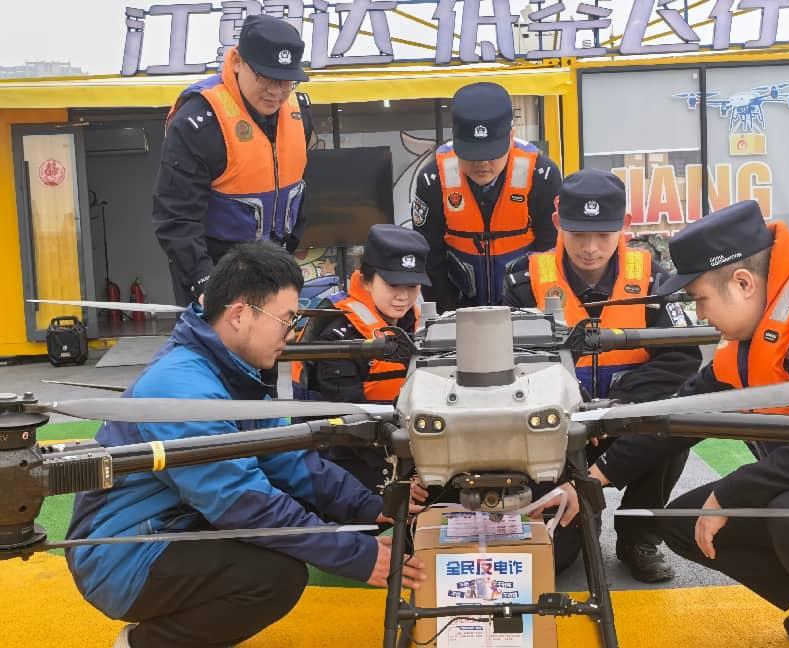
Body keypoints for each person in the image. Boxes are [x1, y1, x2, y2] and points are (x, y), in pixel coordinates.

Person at [65, 242, 426, 648]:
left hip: (172, 523)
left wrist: (372, 506)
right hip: (121, 556)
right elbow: (242, 503)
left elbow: (290, 461)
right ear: (239, 315)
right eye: (286, 319)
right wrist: (358, 555)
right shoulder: (184, 389)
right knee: (274, 578)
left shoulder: (232, 370)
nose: (290, 333)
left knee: (282, 542)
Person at [589, 200, 789, 648]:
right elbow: (681, 414)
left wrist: (730, 492)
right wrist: (596, 475)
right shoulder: (756, 333)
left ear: (742, 283)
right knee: (684, 522)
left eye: (701, 299)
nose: (700, 315)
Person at [505, 169, 701, 582]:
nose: (590, 248)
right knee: (558, 560)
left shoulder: (653, 279)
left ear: (625, 225)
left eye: (603, 234)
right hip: (554, 429)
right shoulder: (523, 282)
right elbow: (512, 364)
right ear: (557, 223)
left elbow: (681, 359)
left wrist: (620, 403)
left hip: (626, 419)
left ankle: (638, 537)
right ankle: (582, 520)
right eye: (578, 234)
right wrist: (573, 404)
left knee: (673, 428)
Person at [153, 14, 314, 307]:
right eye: (266, 77)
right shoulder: (198, 122)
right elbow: (176, 218)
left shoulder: (299, 113)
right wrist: (205, 283)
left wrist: (287, 256)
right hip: (215, 269)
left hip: (273, 268)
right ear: (238, 62)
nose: (276, 92)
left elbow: (300, 187)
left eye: (286, 81)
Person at [292, 224, 431, 492]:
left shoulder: (420, 324)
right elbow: (348, 425)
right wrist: (394, 476)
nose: (403, 296)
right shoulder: (338, 336)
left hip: (408, 445)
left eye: (412, 286)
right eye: (392, 285)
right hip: (344, 459)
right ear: (366, 280)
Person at [411, 82, 561, 312]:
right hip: (458, 303)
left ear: (511, 136)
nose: (482, 163)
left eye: (492, 153)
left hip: (527, 302)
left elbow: (550, 251)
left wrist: (532, 308)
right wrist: (448, 315)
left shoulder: (542, 175)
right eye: (471, 154)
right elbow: (431, 259)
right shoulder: (433, 180)